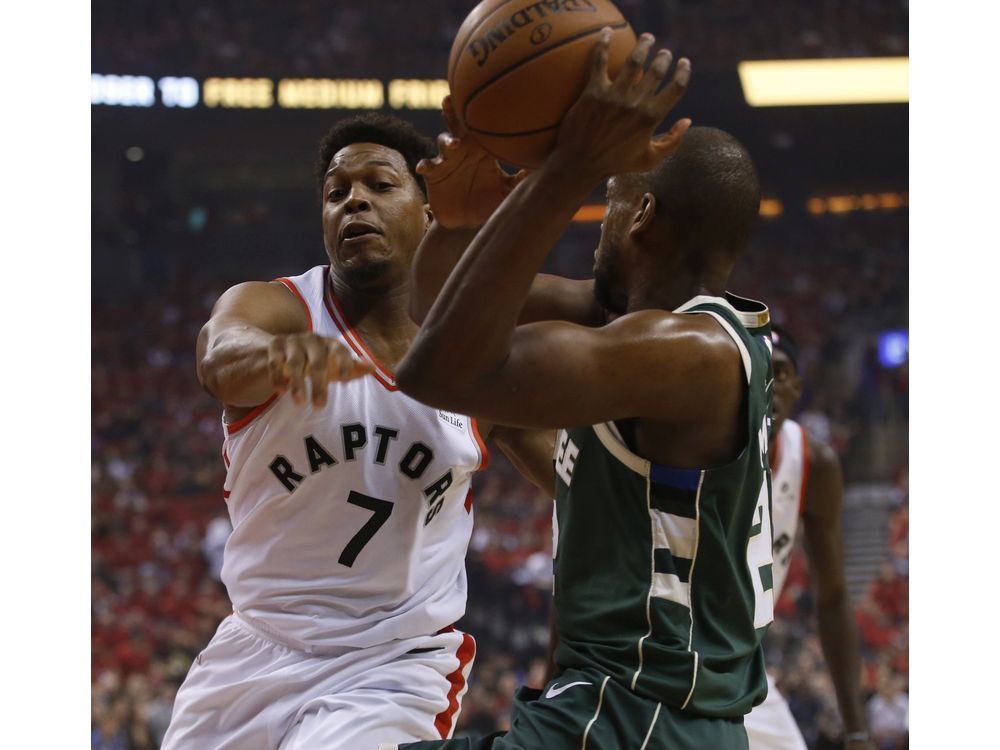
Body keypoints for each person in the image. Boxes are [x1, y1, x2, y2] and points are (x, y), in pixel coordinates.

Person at [390, 30, 774, 749]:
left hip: (638, 718)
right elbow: (433, 302)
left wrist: (563, 172)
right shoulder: (638, 326)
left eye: (606, 199)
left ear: (641, 217)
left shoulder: (686, 353)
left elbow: (439, 372)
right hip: (632, 715)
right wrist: (464, 221)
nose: (593, 228)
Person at [161, 113, 554, 750]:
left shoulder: (471, 353)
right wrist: (275, 358)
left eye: (379, 184)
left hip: (391, 663)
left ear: (428, 213)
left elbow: (578, 482)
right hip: (256, 644)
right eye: (336, 192)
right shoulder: (280, 310)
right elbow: (219, 357)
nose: (355, 201)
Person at [744, 325, 876, 750]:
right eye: (755, 369)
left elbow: (834, 598)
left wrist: (856, 730)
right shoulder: (690, 444)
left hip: (740, 666)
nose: (767, 383)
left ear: (797, 388)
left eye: (778, 372)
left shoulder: (814, 462)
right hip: (663, 658)